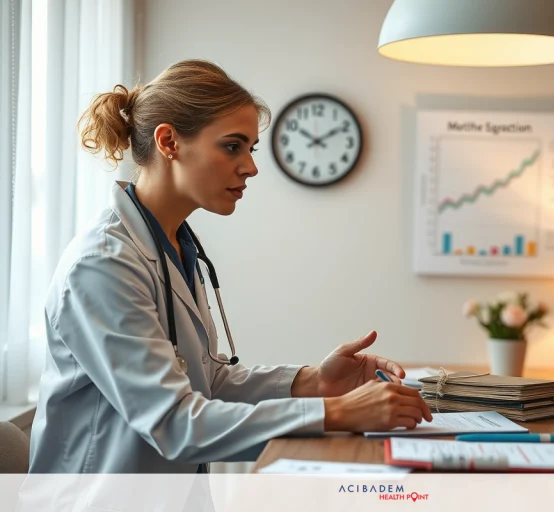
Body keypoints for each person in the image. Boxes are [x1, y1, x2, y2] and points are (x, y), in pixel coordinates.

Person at [28, 59, 432, 473]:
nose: (251, 167)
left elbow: (208, 383)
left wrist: (315, 382)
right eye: (232, 146)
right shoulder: (103, 266)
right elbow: (173, 423)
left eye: (250, 149)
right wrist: (338, 413)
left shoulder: (175, 245)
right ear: (168, 141)